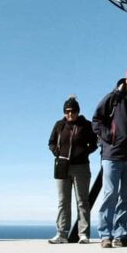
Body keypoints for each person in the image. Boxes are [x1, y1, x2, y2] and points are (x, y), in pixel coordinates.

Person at [92, 64, 127, 248]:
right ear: (126, 79)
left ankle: (120, 234)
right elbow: (97, 120)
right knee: (110, 194)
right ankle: (105, 235)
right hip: (113, 155)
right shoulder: (114, 98)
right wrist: (110, 137)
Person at [48, 96, 98, 244]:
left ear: (78, 111)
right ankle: (62, 234)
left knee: (82, 201)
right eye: (67, 111)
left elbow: (95, 142)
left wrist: (85, 152)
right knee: (63, 201)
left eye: (73, 111)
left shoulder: (86, 125)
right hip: (62, 166)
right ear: (64, 112)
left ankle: (83, 234)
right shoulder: (59, 125)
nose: (70, 114)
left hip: (81, 166)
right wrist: (56, 152)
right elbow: (51, 142)